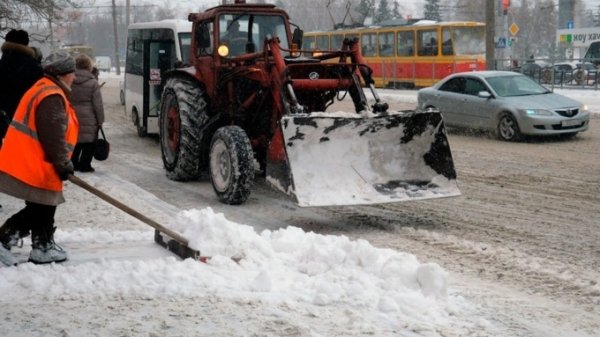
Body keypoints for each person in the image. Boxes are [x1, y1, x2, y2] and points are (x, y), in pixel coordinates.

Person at [0, 51, 78, 266]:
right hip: (38, 162)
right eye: (72, 73)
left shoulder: (44, 88)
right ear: (62, 74)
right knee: (40, 208)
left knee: (43, 207)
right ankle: (5, 238)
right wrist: (62, 163)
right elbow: (53, 135)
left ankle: (42, 246)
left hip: (37, 160)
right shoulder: (51, 95)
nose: (75, 77)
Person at [0, 29, 44, 143]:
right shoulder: (35, 68)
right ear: (26, 44)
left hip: (3, 120)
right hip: (27, 121)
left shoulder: (2, 65)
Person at [70, 53, 105, 173]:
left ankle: (73, 163)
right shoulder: (93, 83)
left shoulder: (69, 80)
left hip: (72, 115)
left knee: (75, 140)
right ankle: (85, 165)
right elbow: (98, 105)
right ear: (88, 66)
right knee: (89, 142)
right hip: (89, 117)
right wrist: (100, 120)